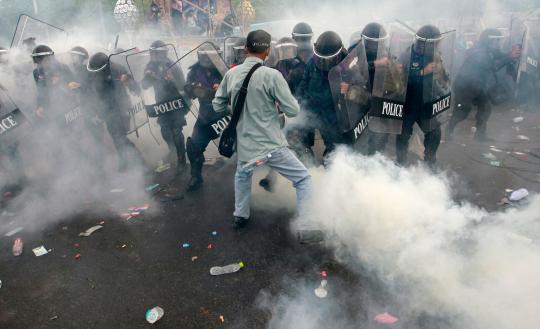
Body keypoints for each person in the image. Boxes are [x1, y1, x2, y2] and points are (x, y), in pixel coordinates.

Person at [213, 30, 320, 243]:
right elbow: (293, 111)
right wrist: (278, 104)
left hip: (245, 146)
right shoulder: (272, 75)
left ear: (245, 50)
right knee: (304, 179)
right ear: (268, 51)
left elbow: (217, 106)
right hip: (271, 146)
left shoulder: (231, 74)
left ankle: (240, 216)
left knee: (243, 175)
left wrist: (234, 110)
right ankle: (307, 226)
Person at [446, 28, 521, 141]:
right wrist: (509, 56)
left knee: (485, 108)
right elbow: (493, 66)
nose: (498, 43)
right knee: (462, 112)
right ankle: (449, 130)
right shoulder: (478, 51)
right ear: (489, 40)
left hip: (478, 85)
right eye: (496, 41)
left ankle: (480, 135)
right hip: (465, 86)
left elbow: (501, 56)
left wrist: (513, 53)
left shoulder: (491, 49)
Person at [395, 25, 450, 167]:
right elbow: (398, 80)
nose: (437, 45)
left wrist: (444, 91)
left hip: (426, 102)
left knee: (434, 133)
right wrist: (421, 72)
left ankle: (430, 162)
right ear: (427, 43)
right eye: (435, 43)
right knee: (403, 134)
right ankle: (401, 162)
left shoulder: (435, 55)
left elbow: (439, 78)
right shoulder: (406, 56)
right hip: (408, 103)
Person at [87, 52, 145, 172]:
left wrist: (127, 80)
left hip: (121, 107)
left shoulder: (118, 69)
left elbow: (136, 88)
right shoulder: (94, 73)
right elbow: (94, 92)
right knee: (115, 136)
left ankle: (138, 160)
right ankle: (124, 160)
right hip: (107, 109)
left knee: (121, 137)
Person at [297, 31, 348, 161]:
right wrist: (299, 99)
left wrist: (348, 88)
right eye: (321, 59)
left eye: (328, 59)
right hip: (312, 105)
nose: (323, 62)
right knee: (303, 132)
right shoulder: (312, 63)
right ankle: (306, 156)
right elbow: (304, 82)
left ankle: (330, 162)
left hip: (332, 109)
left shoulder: (347, 64)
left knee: (333, 140)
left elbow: (358, 80)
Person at [141, 40, 188, 175]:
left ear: (163, 53)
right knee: (165, 132)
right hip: (161, 105)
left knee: (176, 132)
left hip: (176, 104)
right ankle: (173, 151)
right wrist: (148, 77)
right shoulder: (150, 67)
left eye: (156, 54)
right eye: (153, 53)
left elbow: (184, 86)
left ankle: (181, 159)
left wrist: (172, 81)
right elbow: (144, 86)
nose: (154, 56)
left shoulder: (173, 67)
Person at [184, 44, 225, 191]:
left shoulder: (225, 70)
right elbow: (188, 92)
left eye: (211, 56)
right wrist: (191, 88)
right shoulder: (195, 71)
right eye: (205, 56)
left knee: (238, 146)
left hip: (226, 115)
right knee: (193, 146)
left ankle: (246, 176)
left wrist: (221, 88)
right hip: (205, 116)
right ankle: (196, 176)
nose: (208, 59)